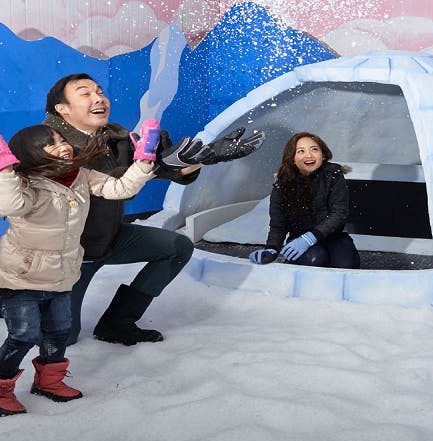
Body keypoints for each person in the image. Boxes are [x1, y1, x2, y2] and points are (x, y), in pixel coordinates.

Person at [39, 73, 263, 346]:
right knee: (61, 339)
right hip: (67, 253)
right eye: (84, 93)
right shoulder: (47, 144)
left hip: (108, 238)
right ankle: (10, 293)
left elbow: (162, 169)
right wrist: (156, 165)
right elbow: (112, 180)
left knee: (177, 247)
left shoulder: (117, 138)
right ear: (62, 109)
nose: (98, 97)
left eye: (99, 91)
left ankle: (118, 322)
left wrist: (208, 156)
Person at [0, 122, 161, 416]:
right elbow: (9, 205)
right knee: (24, 335)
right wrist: (3, 169)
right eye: (50, 144)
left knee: (59, 331)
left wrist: (144, 160)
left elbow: (118, 188)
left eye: (60, 139)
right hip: (19, 276)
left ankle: (48, 382)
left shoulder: (81, 175)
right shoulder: (23, 182)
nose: (62, 145)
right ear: (29, 154)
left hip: (61, 272)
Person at [248, 132, 361, 269]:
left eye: (314, 149)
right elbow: (278, 224)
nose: (309, 155)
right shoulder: (282, 184)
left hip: (333, 237)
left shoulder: (333, 175)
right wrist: (272, 248)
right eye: (301, 151)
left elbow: (339, 214)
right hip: (299, 238)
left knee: (345, 265)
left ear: (323, 154)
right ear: (292, 159)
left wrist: (311, 237)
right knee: (315, 259)